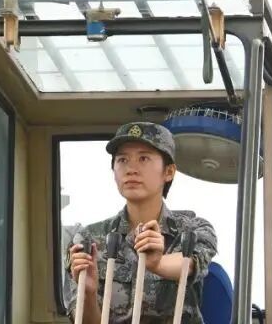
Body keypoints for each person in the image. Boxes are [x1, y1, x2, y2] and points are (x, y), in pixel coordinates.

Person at [63, 122, 217, 323]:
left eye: (143, 158)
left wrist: (157, 263)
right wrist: (88, 293)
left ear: (169, 172)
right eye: (122, 160)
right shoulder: (88, 239)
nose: (131, 169)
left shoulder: (193, 230)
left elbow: (190, 263)